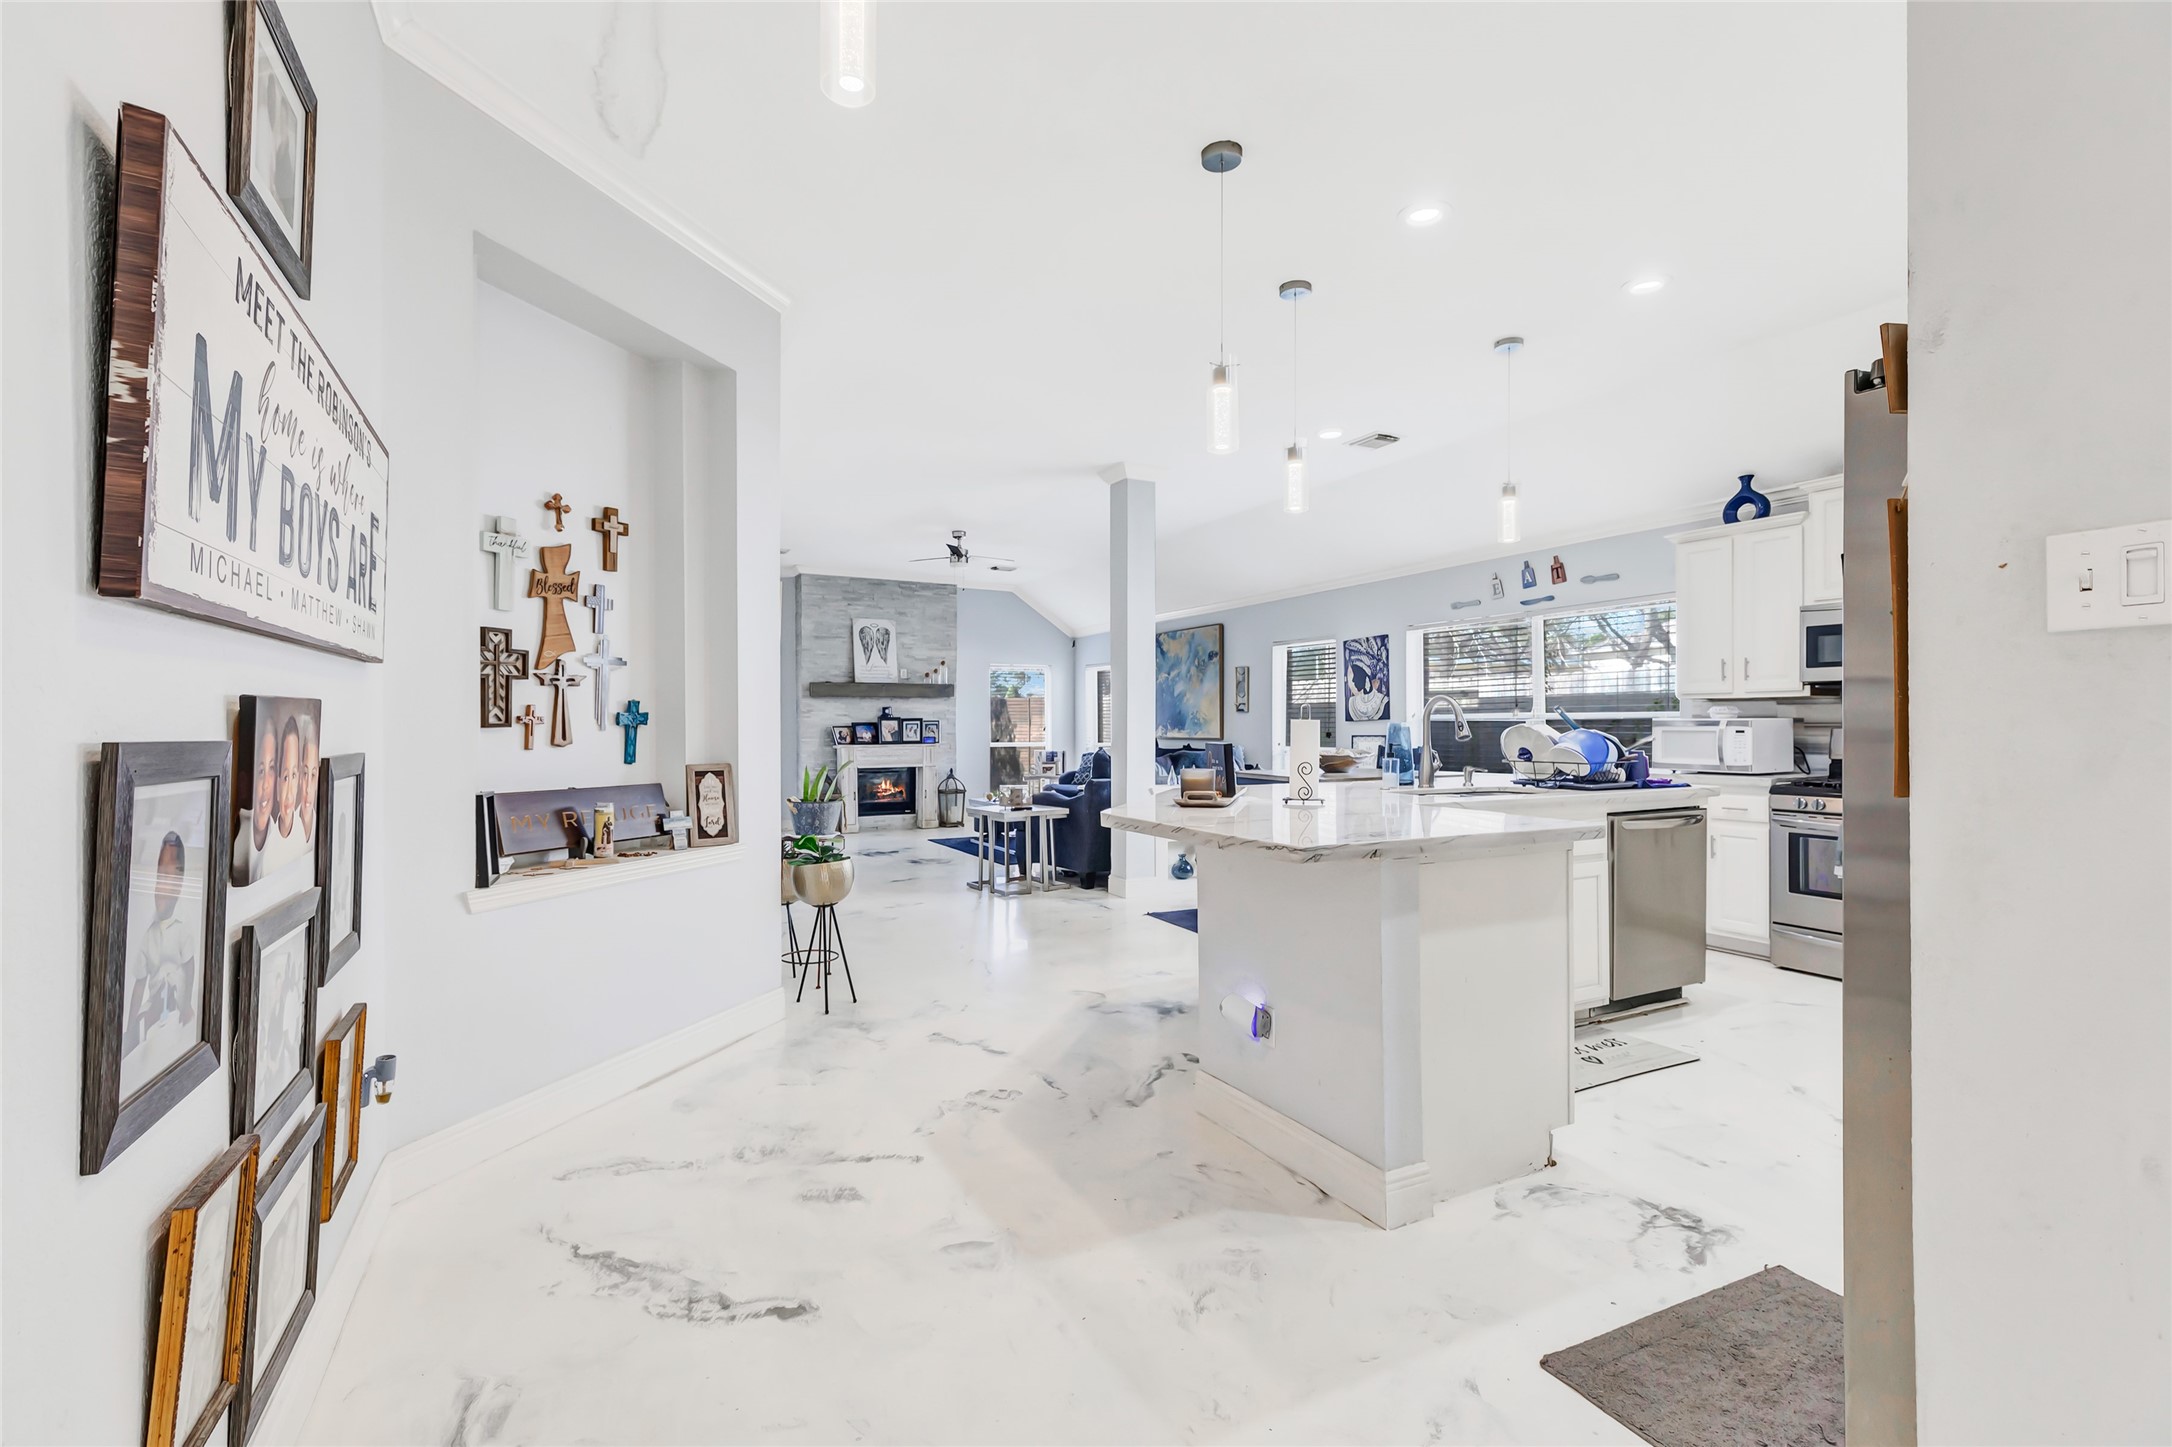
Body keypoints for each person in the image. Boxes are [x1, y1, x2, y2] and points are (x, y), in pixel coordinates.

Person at [123, 832, 197, 1068]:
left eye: (169, 877)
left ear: (179, 886)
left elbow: (190, 967)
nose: (161, 886)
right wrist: (130, 1026)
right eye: (159, 876)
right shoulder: (149, 936)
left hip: (176, 1007)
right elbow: (139, 983)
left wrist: (186, 1006)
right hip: (155, 1007)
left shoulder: (184, 928)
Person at [274, 717, 302, 840]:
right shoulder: (269, 847)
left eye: (294, 776)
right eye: (285, 777)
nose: (289, 794)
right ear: (277, 784)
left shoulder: (303, 838)